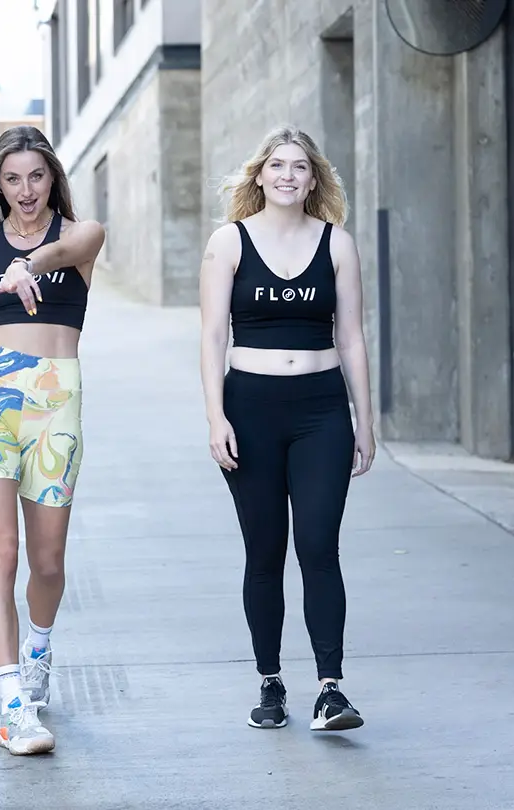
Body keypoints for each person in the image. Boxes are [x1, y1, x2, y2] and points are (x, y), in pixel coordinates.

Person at [198, 124, 374, 732]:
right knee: (264, 551)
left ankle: (331, 690)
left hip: (322, 408)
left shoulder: (338, 244)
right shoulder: (229, 242)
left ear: (314, 179)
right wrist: (216, 415)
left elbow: (351, 336)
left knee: (320, 547)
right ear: (260, 175)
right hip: (250, 407)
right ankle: (270, 683)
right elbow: (212, 336)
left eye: (300, 167)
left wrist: (363, 419)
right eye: (277, 165)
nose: (288, 175)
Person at [0, 125, 106, 756]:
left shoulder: (80, 236)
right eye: (11, 178)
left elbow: (70, 249)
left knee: (47, 562)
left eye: (36, 176)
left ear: (52, 178)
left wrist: (27, 266)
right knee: (1, 552)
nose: (25, 190)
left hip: (55, 403)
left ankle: (38, 645)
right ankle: (12, 702)